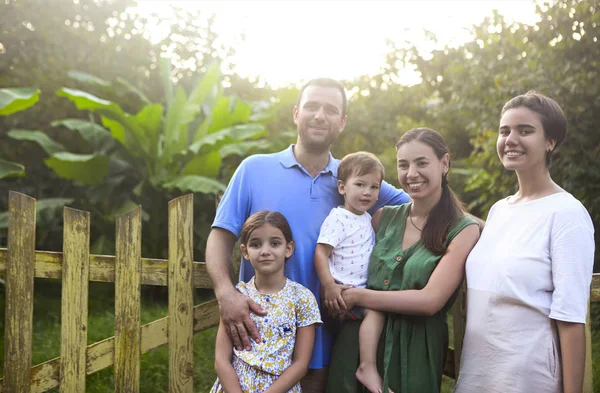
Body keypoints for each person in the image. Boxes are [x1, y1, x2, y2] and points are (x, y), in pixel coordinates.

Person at [205, 78, 410, 392]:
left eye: (331, 110)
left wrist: (484, 224)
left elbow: (422, 202)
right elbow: (220, 237)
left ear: (342, 122)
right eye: (312, 106)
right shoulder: (254, 169)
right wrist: (225, 293)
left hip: (334, 339)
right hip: (262, 341)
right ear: (296, 113)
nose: (319, 115)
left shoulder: (355, 178)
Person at [454, 92, 595, 393]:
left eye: (525, 130)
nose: (510, 139)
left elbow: (570, 319)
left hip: (528, 378)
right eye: (505, 131)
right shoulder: (500, 210)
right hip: (478, 376)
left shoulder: (567, 214)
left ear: (550, 142)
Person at [327, 127, 480, 393]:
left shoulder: (462, 229)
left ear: (444, 164)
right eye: (403, 165)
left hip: (415, 351)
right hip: (357, 345)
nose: (411, 174)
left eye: (422, 163)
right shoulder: (381, 218)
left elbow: (430, 301)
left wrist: (358, 297)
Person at [211, 210, 322, 393]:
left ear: (288, 248)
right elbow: (221, 360)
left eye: (275, 243)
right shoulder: (236, 297)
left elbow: (301, 364)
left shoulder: (302, 298)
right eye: (256, 244)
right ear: (245, 252)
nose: (265, 251)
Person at [314, 151, 384, 329]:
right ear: (342, 187)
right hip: (341, 291)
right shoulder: (339, 218)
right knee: (376, 313)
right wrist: (329, 286)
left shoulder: (368, 218)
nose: (367, 192)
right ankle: (368, 359)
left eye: (374, 187)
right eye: (360, 184)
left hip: (362, 290)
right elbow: (321, 253)